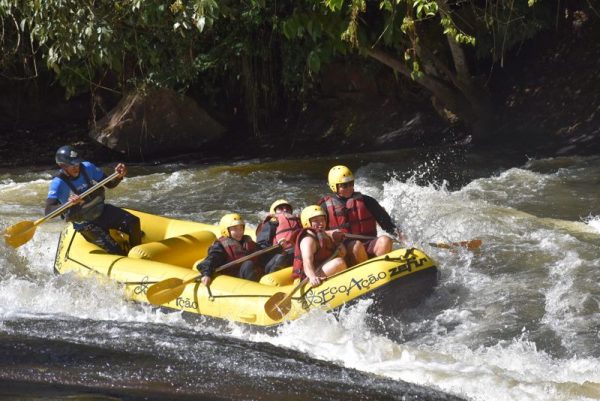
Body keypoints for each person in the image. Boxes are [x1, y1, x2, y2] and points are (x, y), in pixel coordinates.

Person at [45, 145, 141, 255]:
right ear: (62, 166)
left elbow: (110, 184)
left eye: (77, 163)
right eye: (72, 165)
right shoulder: (58, 183)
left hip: (100, 211)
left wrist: (119, 176)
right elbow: (48, 212)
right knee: (116, 251)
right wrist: (68, 204)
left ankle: (137, 255)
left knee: (134, 222)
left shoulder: (87, 167)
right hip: (85, 223)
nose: (76, 167)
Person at [318, 165, 403, 265]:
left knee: (385, 240)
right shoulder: (325, 208)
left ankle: (382, 270)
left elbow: (388, 224)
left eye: (351, 183)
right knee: (356, 246)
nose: (349, 187)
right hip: (345, 251)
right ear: (334, 186)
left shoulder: (367, 201)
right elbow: (315, 232)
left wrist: (403, 239)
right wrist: (330, 234)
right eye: (344, 185)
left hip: (369, 243)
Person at [195, 213, 263, 286]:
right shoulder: (220, 246)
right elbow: (210, 260)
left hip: (253, 274)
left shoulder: (246, 240)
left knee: (276, 258)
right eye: (235, 229)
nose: (239, 232)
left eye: (241, 228)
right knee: (248, 264)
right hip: (235, 279)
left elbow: (262, 253)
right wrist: (206, 274)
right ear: (226, 231)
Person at [292, 205, 347, 286]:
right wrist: (312, 277)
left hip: (321, 269)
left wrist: (338, 242)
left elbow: (343, 253)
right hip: (307, 278)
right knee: (338, 263)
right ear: (307, 222)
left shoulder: (325, 235)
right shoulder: (307, 240)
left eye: (322, 219)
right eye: (316, 221)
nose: (321, 223)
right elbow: (307, 261)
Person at [256, 199, 302, 274]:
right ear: (274, 213)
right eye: (280, 208)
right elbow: (262, 247)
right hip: (276, 257)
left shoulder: (297, 221)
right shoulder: (271, 224)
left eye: (287, 208)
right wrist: (279, 248)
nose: (285, 210)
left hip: (295, 252)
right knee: (282, 256)